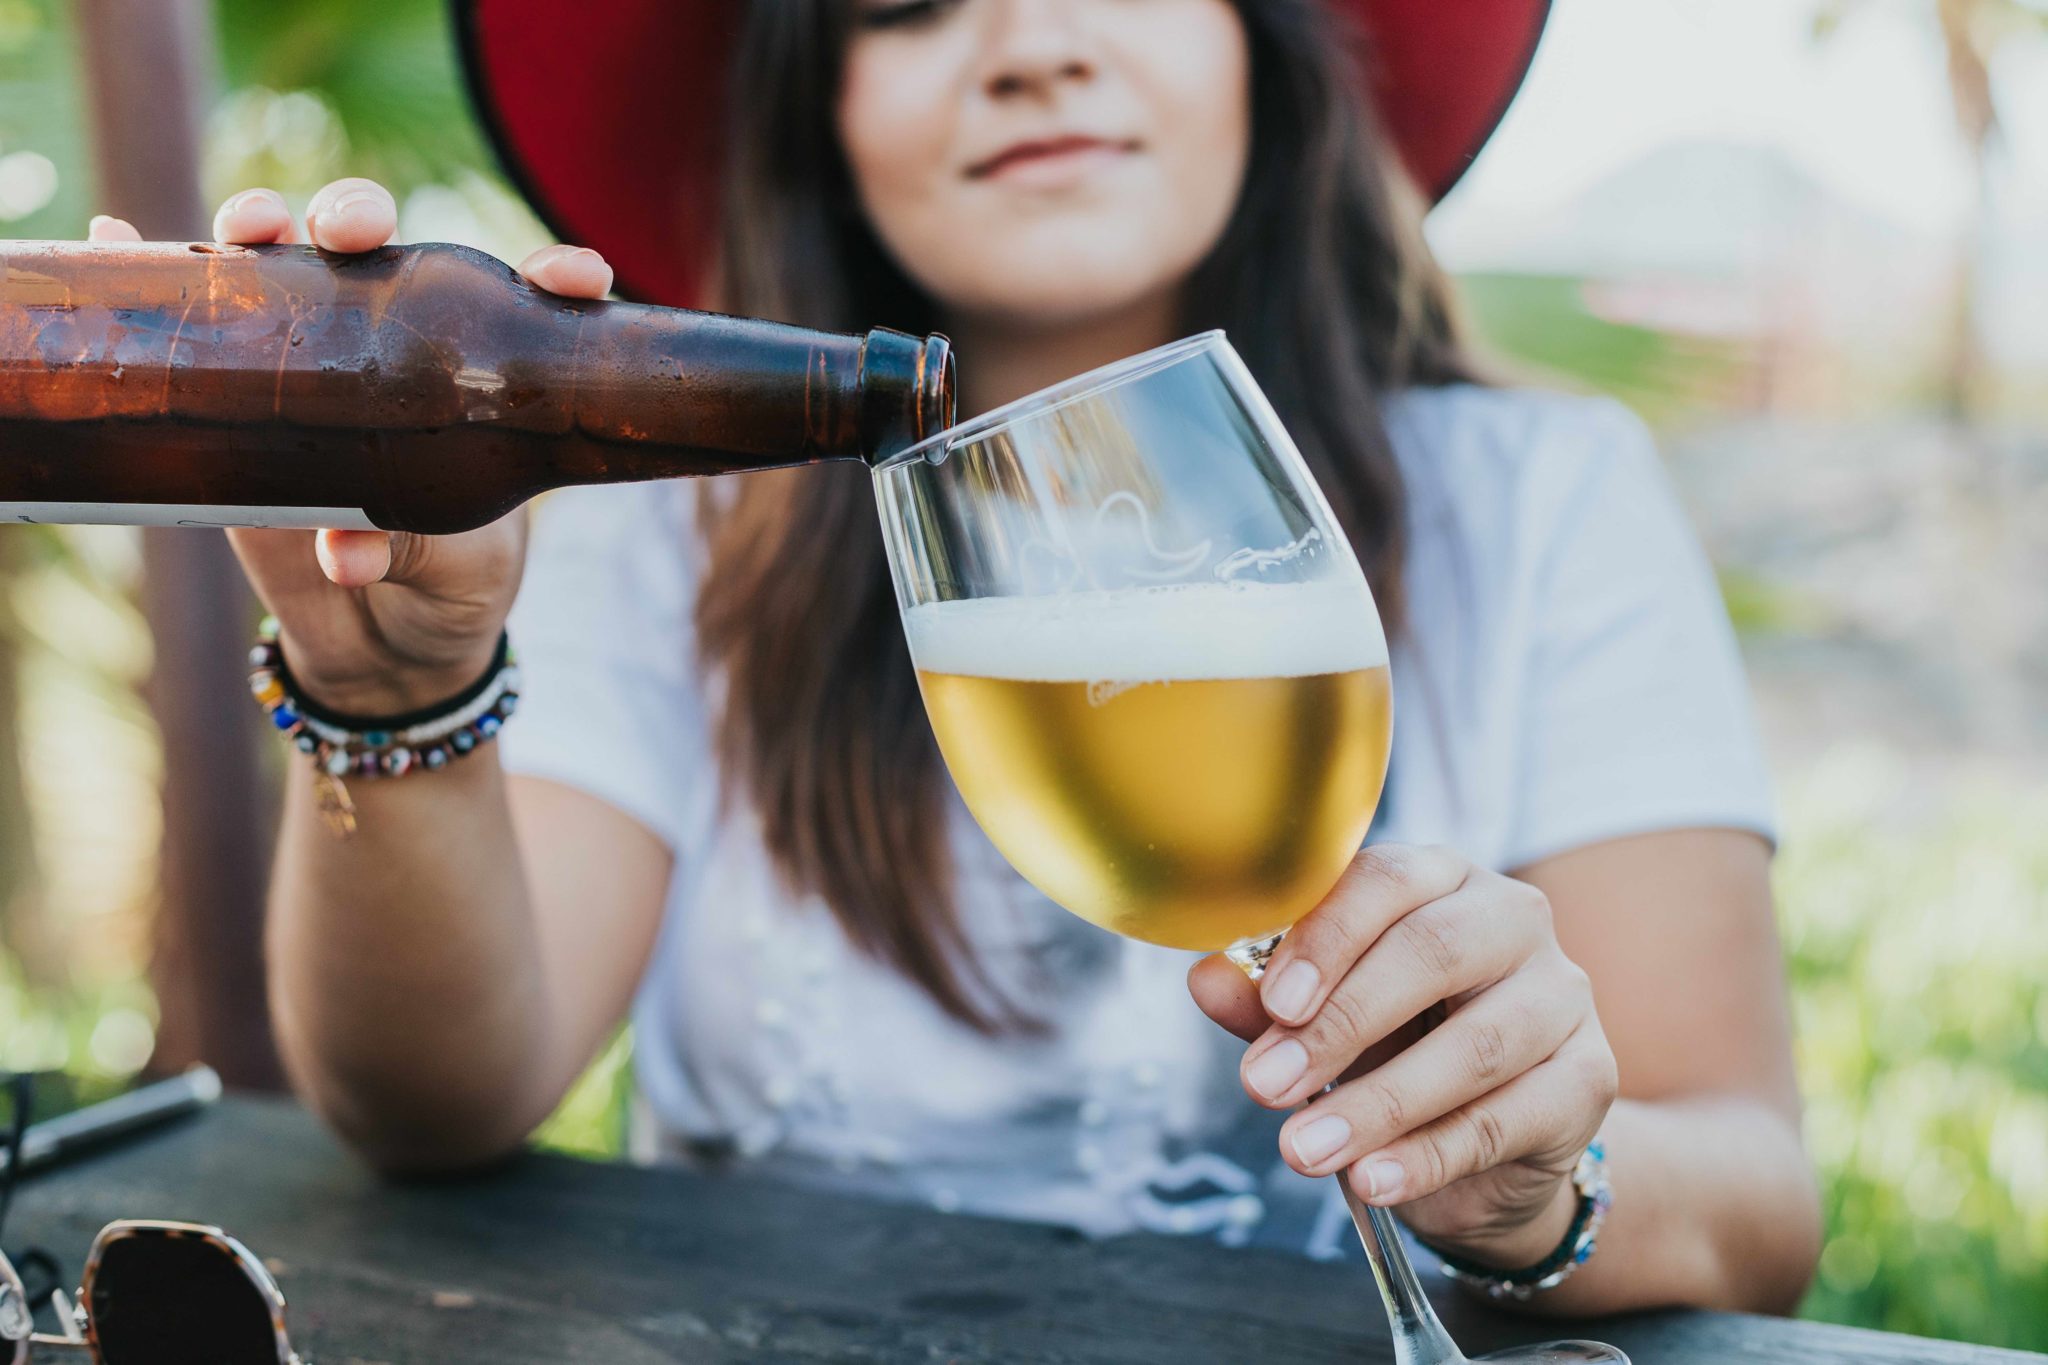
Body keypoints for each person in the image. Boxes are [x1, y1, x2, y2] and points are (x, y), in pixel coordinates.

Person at [91, 0, 1822, 1316]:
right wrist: (397, 692)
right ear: (813, 102)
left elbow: (1758, 1197)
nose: (1027, 47)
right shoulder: (660, 526)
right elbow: (435, 1102)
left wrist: (1537, 1188)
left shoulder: (1542, 494)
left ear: (1263, 45)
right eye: (907, 0)